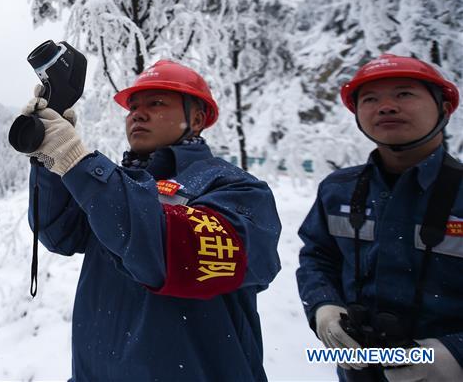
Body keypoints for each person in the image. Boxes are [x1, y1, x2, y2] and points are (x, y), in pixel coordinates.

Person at [24, 59, 281, 381]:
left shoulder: (236, 188)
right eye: (132, 108)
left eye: (156, 103)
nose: (137, 115)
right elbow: (59, 233)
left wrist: (78, 164)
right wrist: (51, 164)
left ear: (198, 119)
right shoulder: (117, 184)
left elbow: (175, 253)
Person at [296, 54, 463, 381]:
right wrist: (324, 307)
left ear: (444, 109)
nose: (385, 107)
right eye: (370, 99)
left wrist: (453, 355)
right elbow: (318, 257)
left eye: (404, 94)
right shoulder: (338, 191)